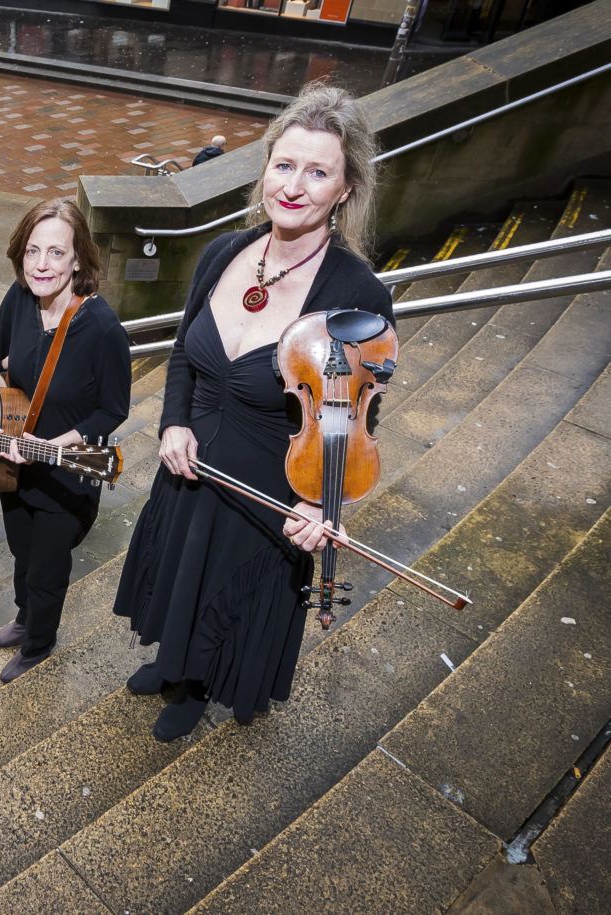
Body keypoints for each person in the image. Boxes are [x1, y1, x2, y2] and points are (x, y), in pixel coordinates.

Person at [112, 82, 395, 742]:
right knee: (178, 570)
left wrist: (324, 506)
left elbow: (354, 422)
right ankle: (171, 660)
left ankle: (197, 683)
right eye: (284, 164)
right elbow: (185, 353)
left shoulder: (357, 291)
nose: (294, 185)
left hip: (266, 485)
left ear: (345, 188)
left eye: (318, 171)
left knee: (223, 588)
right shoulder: (222, 253)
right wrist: (172, 423)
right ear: (265, 167)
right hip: (189, 467)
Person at [0, 201, 131, 683]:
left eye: (56, 252)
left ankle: (40, 642)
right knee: (21, 551)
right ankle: (24, 619)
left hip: (66, 470)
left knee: (46, 567)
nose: (40, 264)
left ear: (78, 259)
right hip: (15, 467)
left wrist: (51, 441)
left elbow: (113, 410)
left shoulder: (101, 328)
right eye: (32, 251)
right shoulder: (19, 298)